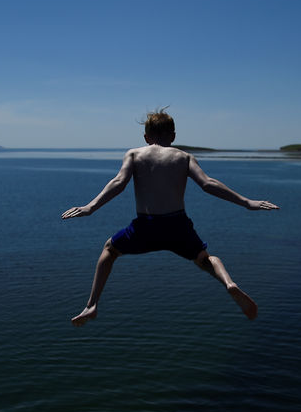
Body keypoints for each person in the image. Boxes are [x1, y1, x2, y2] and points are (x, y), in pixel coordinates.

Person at [61, 108, 279, 326]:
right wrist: (247, 202)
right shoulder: (184, 157)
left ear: (146, 137)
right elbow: (208, 184)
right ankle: (229, 283)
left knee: (110, 250)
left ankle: (92, 305)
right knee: (205, 258)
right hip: (177, 225)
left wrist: (91, 206)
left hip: (146, 225)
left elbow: (118, 183)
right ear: (173, 136)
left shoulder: (134, 154)